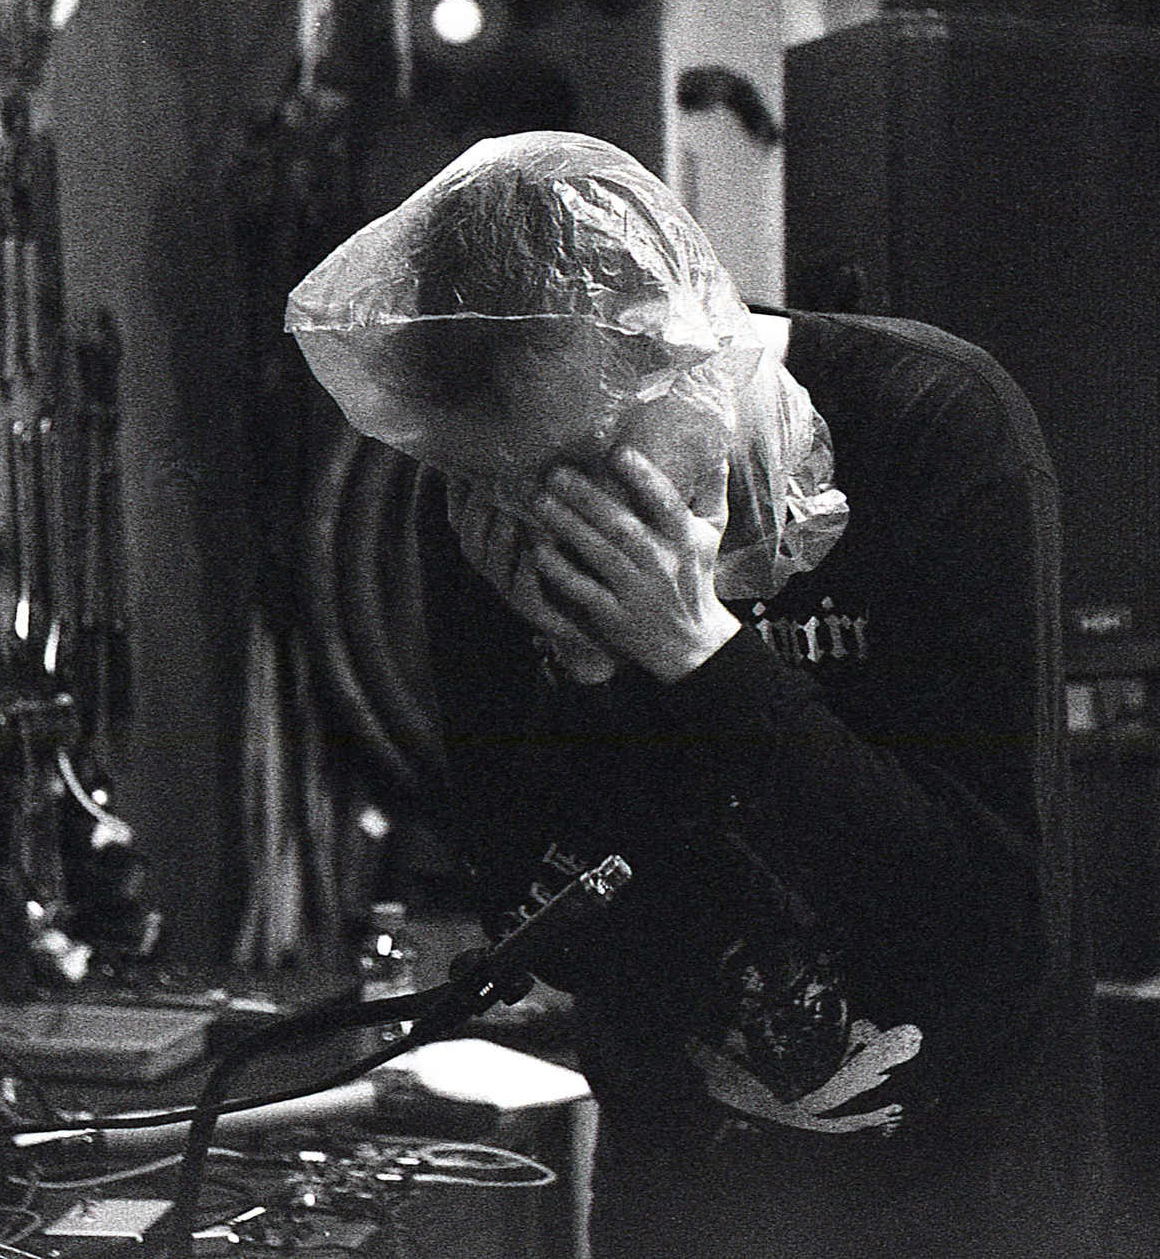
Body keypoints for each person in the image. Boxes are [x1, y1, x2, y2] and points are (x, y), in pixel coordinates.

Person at [289, 133, 1108, 1257]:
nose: (558, 514)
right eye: (508, 480)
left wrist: (699, 656)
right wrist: (583, 680)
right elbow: (561, 943)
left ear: (684, 345)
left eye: (592, 457)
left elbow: (992, 917)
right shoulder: (487, 513)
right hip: (688, 1202)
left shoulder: (934, 424)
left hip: (961, 1197)